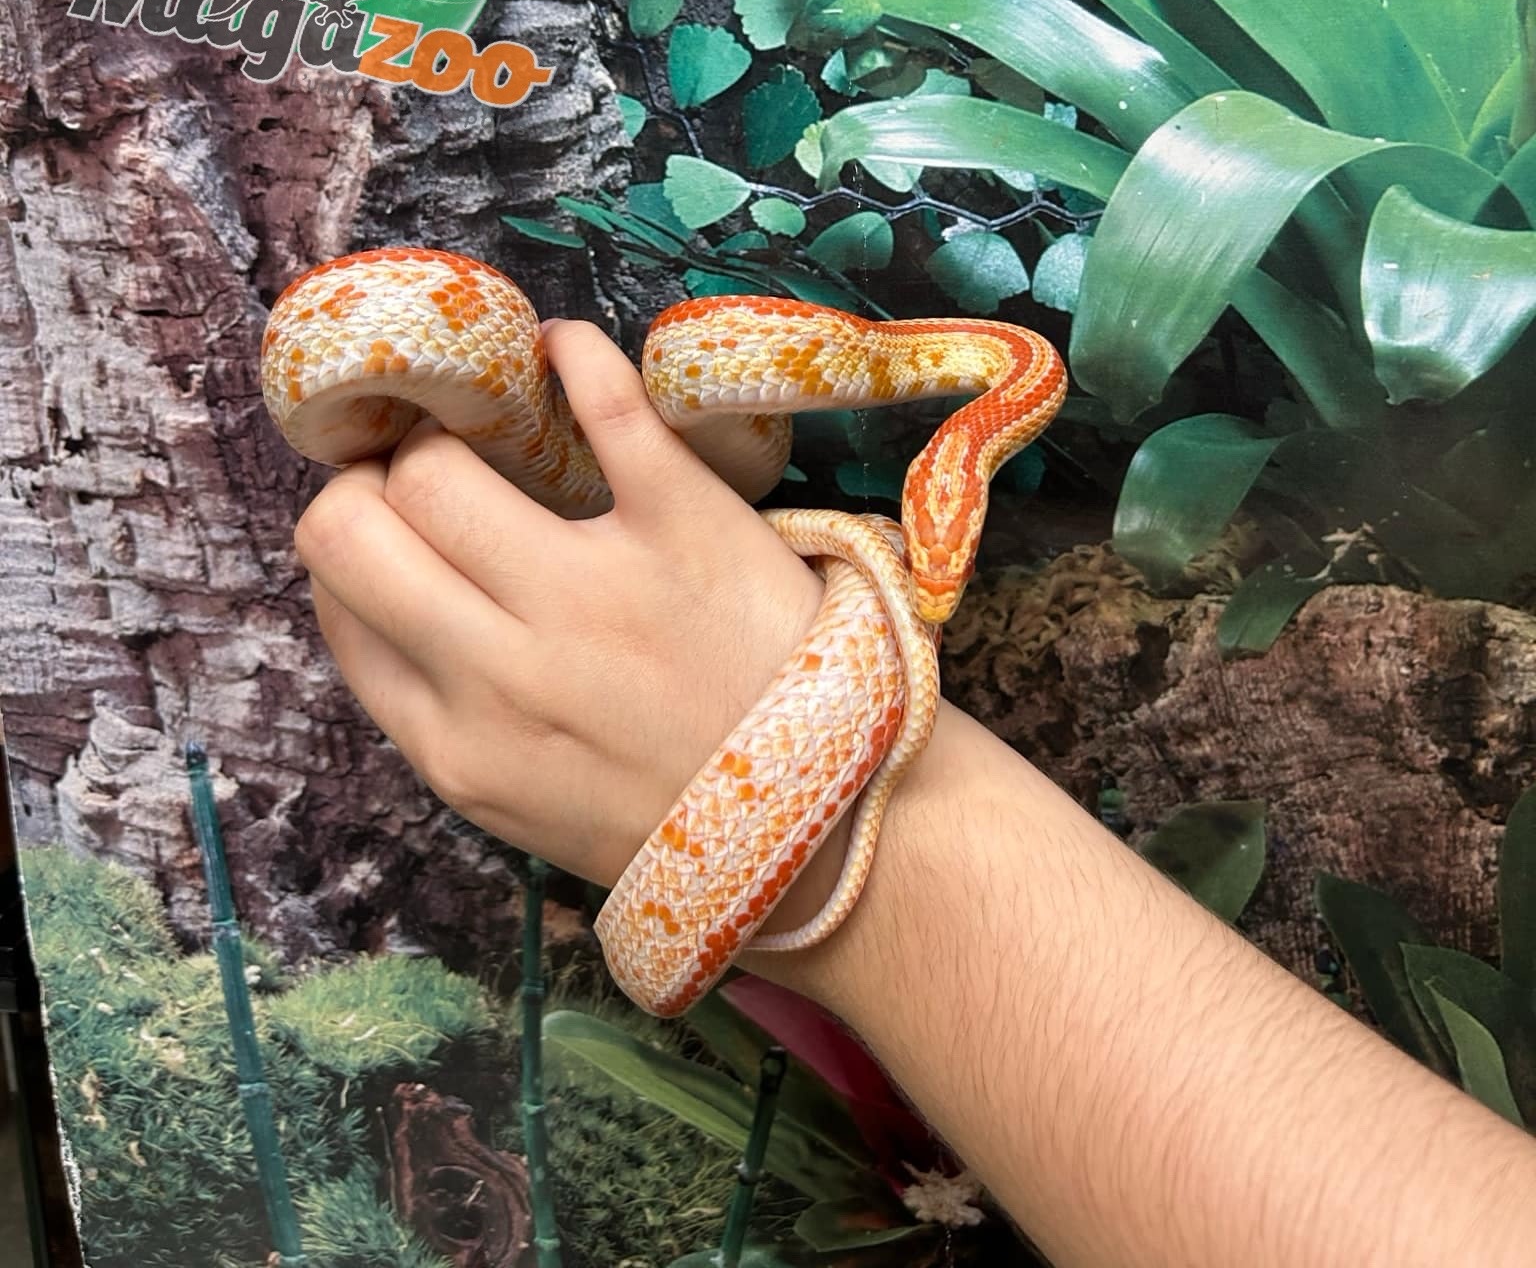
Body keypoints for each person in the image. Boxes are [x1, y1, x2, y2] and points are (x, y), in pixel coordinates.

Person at [294, 318, 1534, 1268]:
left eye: (938, 557)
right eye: (927, 558)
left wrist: (828, 834)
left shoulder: (1004, 401)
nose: (929, 590)